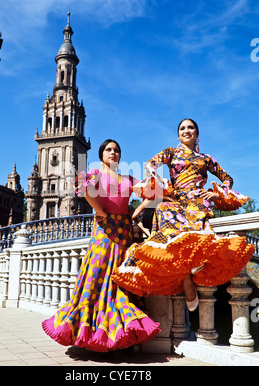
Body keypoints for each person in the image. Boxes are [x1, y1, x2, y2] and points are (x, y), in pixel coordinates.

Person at [111, 119, 255, 312]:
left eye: (190, 128)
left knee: (196, 232)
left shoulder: (206, 158)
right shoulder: (170, 152)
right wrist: (157, 180)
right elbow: (150, 164)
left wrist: (216, 193)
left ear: (196, 134)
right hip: (175, 200)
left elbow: (227, 178)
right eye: (182, 128)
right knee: (163, 212)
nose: (186, 131)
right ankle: (187, 279)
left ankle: (192, 271)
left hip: (197, 201)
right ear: (178, 135)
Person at [42, 139, 161, 352]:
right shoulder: (96, 174)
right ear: (101, 154)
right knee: (96, 276)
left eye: (116, 150)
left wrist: (134, 212)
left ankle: (117, 334)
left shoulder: (128, 179)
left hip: (123, 233)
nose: (113, 153)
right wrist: (100, 211)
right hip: (104, 232)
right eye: (108, 150)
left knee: (119, 278)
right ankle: (91, 333)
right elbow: (83, 188)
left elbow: (156, 193)